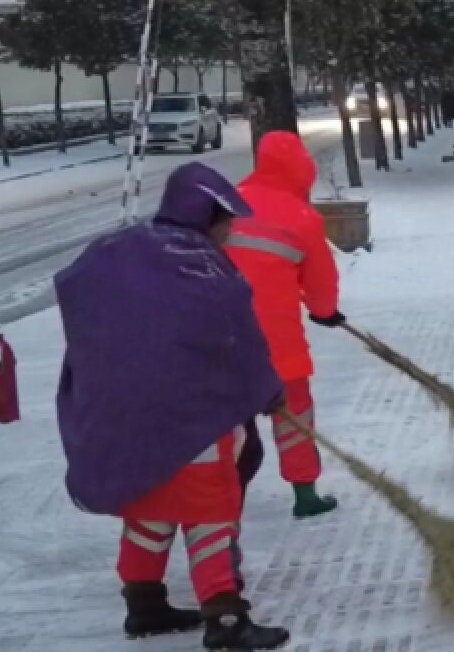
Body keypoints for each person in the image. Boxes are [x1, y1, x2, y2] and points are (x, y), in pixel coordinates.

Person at [55, 162, 292, 650]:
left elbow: (75, 292)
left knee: (150, 507)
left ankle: (143, 604)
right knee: (209, 513)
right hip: (191, 418)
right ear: (207, 214)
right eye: (226, 222)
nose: (230, 232)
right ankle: (225, 619)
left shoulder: (116, 250)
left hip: (121, 417)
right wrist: (268, 391)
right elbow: (238, 338)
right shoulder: (203, 265)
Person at [226, 131, 345, 519]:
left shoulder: (227, 203)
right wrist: (324, 312)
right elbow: (321, 283)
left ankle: (219, 496)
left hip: (222, 340)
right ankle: (305, 493)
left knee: (223, 422)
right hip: (279, 345)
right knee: (294, 416)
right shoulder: (303, 217)